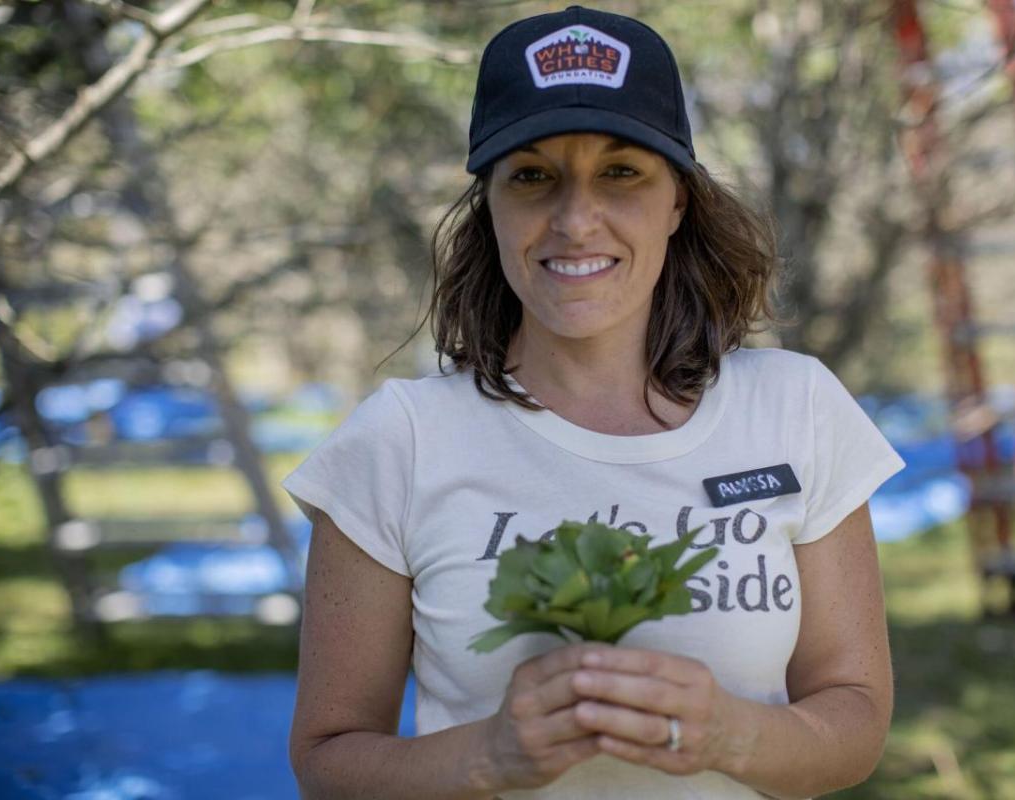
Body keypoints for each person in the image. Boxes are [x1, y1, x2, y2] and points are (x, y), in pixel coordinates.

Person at [282, 6, 905, 799]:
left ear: (677, 199)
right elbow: (328, 764)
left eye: (621, 172)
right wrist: (489, 758)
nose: (576, 221)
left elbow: (854, 725)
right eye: (534, 176)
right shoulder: (398, 442)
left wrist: (726, 733)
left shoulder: (797, 410)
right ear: (492, 205)